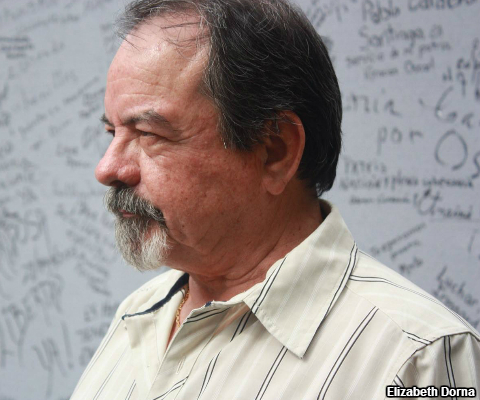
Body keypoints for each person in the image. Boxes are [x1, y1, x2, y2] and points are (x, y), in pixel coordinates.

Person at [71, 0, 480, 399]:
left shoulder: (417, 360)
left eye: (149, 134)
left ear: (275, 151)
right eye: (112, 133)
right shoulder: (137, 316)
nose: (107, 168)